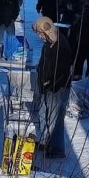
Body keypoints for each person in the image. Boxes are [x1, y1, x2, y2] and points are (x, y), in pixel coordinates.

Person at [32, 17, 73, 158]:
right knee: (45, 113)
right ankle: (44, 142)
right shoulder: (48, 43)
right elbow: (44, 63)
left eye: (41, 33)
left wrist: (49, 84)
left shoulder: (61, 46)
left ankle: (56, 149)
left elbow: (61, 71)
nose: (39, 36)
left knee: (55, 118)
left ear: (48, 30)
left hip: (57, 88)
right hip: (47, 86)